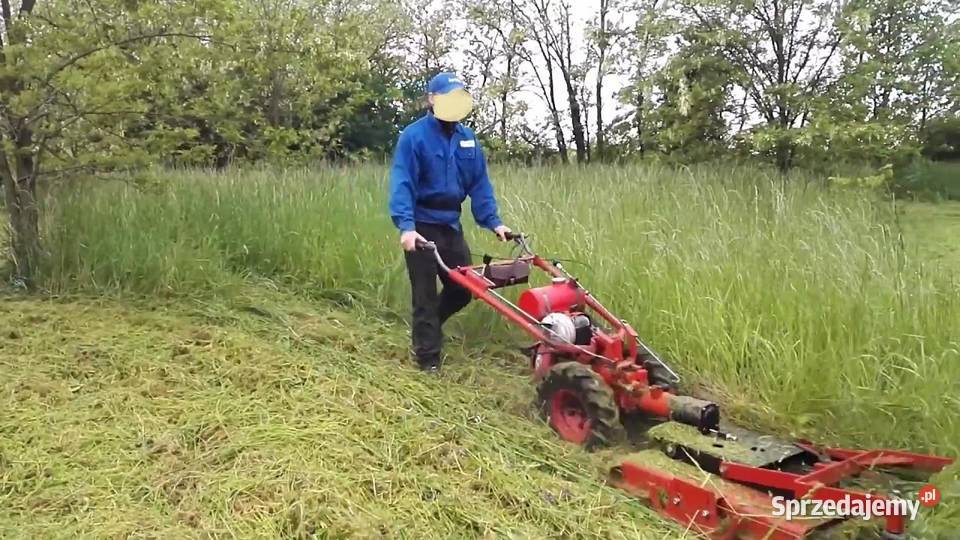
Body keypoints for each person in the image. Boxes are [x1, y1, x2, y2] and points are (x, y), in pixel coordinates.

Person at [388, 72, 512, 373]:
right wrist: (406, 226)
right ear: (432, 99)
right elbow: (402, 182)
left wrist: (494, 222)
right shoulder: (413, 137)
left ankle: (428, 329)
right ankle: (427, 359)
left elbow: (479, 184)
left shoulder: (468, 140)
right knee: (425, 295)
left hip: (450, 224)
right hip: (421, 224)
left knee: (463, 290)